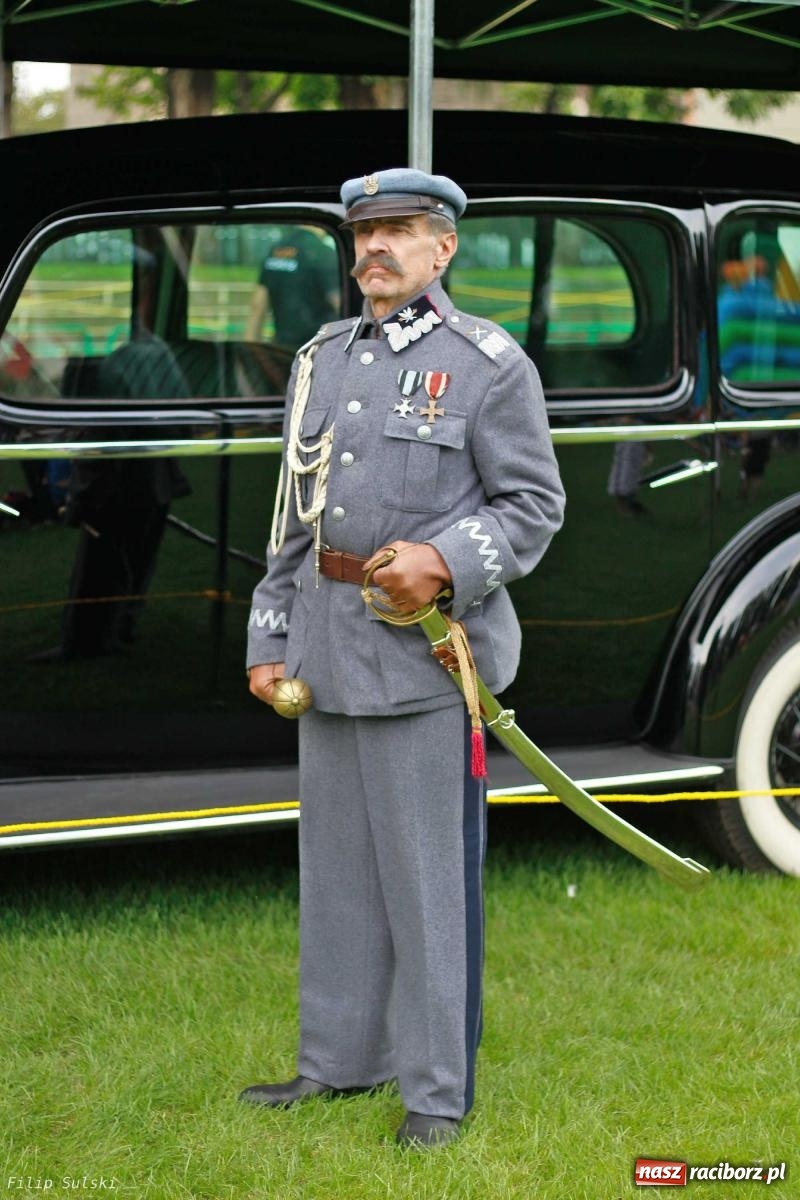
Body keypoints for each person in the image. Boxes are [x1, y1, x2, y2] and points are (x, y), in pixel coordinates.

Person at [240, 169, 566, 1149]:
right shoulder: (324, 355)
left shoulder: (487, 364)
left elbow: (533, 506)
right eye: (363, 231)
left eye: (397, 231)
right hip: (327, 657)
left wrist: (441, 560)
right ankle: (336, 1064)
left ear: (442, 247)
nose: (374, 248)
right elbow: (295, 512)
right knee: (335, 875)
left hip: (425, 667)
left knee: (426, 895)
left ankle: (433, 1096)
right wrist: (268, 635)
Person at [246, 225, 340, 350]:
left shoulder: (276, 250)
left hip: (282, 348)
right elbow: (339, 303)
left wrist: (250, 351)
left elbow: (257, 304)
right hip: (316, 351)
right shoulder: (323, 252)